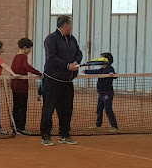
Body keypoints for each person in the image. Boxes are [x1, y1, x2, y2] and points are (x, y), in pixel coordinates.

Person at [40, 15, 82, 146]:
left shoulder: (72, 39)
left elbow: (79, 53)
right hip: (52, 81)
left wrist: (76, 62)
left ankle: (64, 135)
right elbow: (51, 58)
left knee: (67, 109)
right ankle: (46, 136)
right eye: (71, 24)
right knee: (49, 109)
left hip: (67, 82)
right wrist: (66, 65)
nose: (71, 27)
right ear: (66, 25)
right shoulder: (51, 39)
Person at [10, 38, 42, 135]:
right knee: (22, 107)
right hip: (21, 87)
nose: (30, 50)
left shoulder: (15, 57)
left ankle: (14, 125)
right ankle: (21, 127)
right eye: (29, 48)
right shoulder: (23, 57)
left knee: (16, 106)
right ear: (25, 48)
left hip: (14, 86)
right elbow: (27, 67)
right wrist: (39, 73)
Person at [83, 53, 119, 133]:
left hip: (107, 93)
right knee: (99, 109)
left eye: (101, 58)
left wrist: (112, 74)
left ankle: (114, 127)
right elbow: (95, 71)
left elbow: (115, 75)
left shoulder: (110, 68)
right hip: (101, 93)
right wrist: (86, 71)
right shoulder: (101, 69)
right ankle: (98, 125)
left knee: (108, 109)